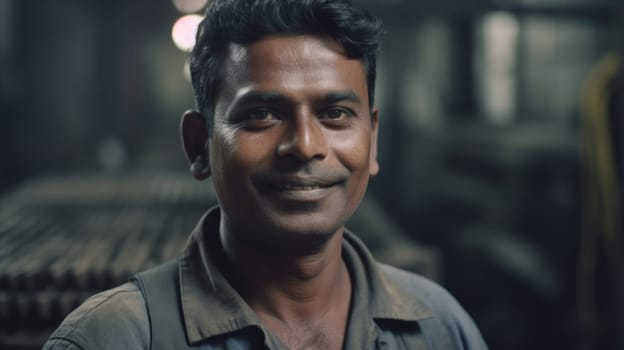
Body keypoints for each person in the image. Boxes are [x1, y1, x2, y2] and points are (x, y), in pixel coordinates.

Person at [43, 0, 488, 349]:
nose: (306, 146)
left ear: (371, 137)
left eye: (334, 113)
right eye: (261, 115)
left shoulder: (440, 328)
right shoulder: (115, 339)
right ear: (199, 146)